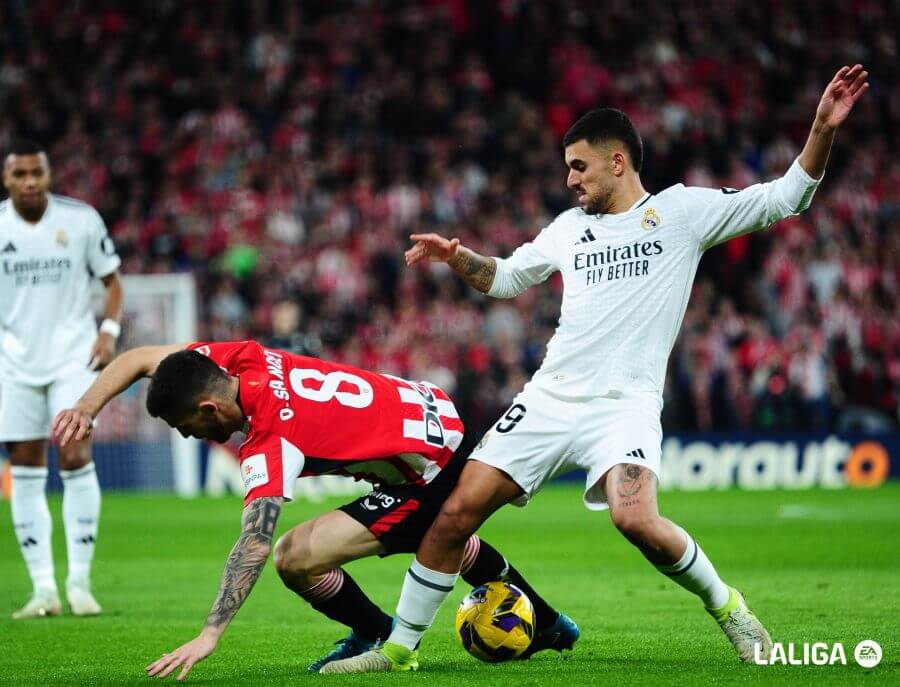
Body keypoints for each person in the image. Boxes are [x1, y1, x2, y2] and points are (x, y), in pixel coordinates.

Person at [321, 65, 869, 673]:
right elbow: (505, 279)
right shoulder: (567, 230)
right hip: (550, 397)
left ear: (617, 161)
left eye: (578, 166)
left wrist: (821, 128)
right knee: (454, 512)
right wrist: (459, 257)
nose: (569, 178)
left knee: (636, 520)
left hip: (624, 403)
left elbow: (788, 195)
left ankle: (729, 607)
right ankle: (399, 650)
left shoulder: (682, 213)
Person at [53, 340, 577, 679]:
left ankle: (386, 640)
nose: (190, 436)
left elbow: (253, 541)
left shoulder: (270, 437)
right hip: (430, 413)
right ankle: (550, 622)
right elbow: (143, 359)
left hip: (431, 464)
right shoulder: (238, 359)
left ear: (210, 407)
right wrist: (85, 407)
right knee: (437, 538)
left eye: (186, 426)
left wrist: (211, 632)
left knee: (292, 555)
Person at [1, 140, 123, 619]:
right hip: (13, 361)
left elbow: (112, 282)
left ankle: (79, 583)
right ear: (7, 180)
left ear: (48, 174)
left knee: (74, 453)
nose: (30, 181)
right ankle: (43, 589)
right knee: (26, 465)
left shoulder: (81, 220)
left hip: (73, 356)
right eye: (20, 174)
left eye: (37, 172)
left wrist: (108, 332)